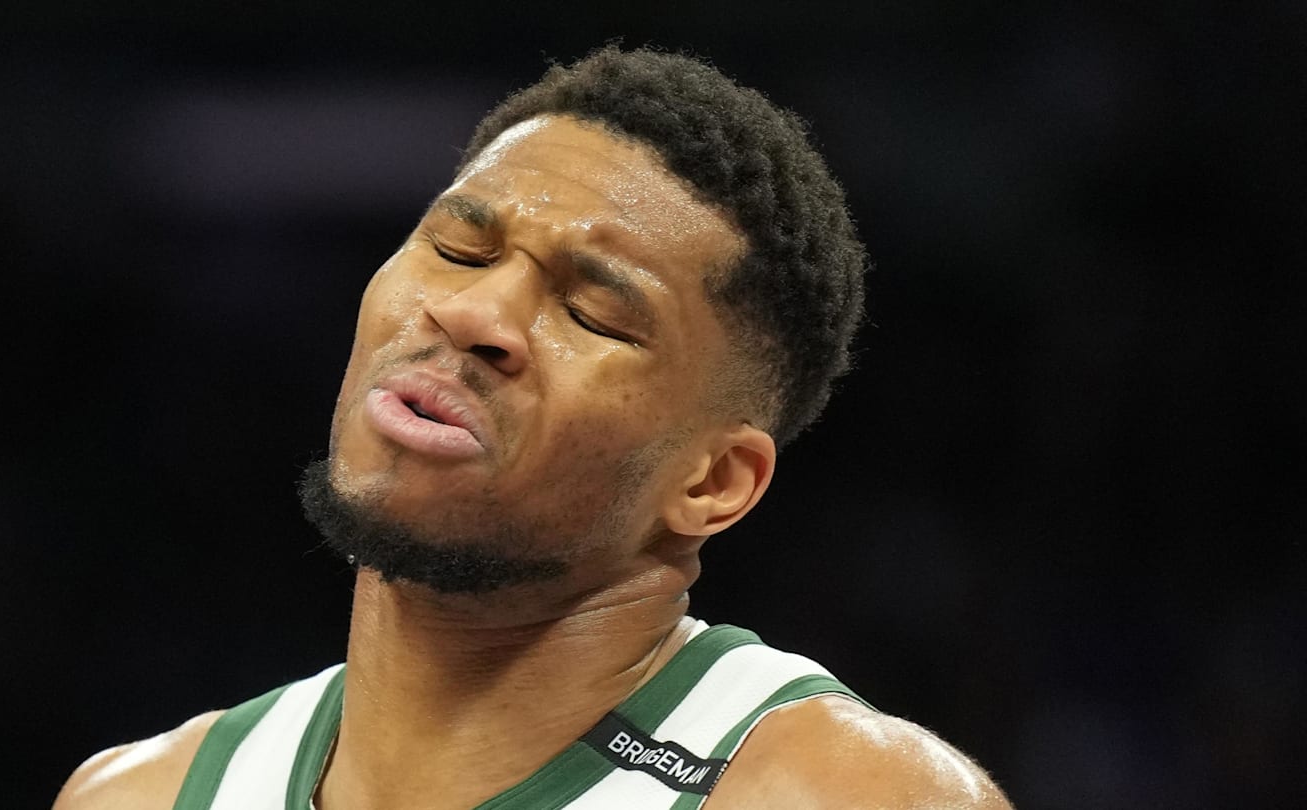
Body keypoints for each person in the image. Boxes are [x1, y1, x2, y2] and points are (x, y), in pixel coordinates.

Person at [54, 46, 1013, 809]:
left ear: (713, 482)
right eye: (458, 249)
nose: (474, 316)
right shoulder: (140, 796)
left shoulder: (833, 794)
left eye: (593, 313)